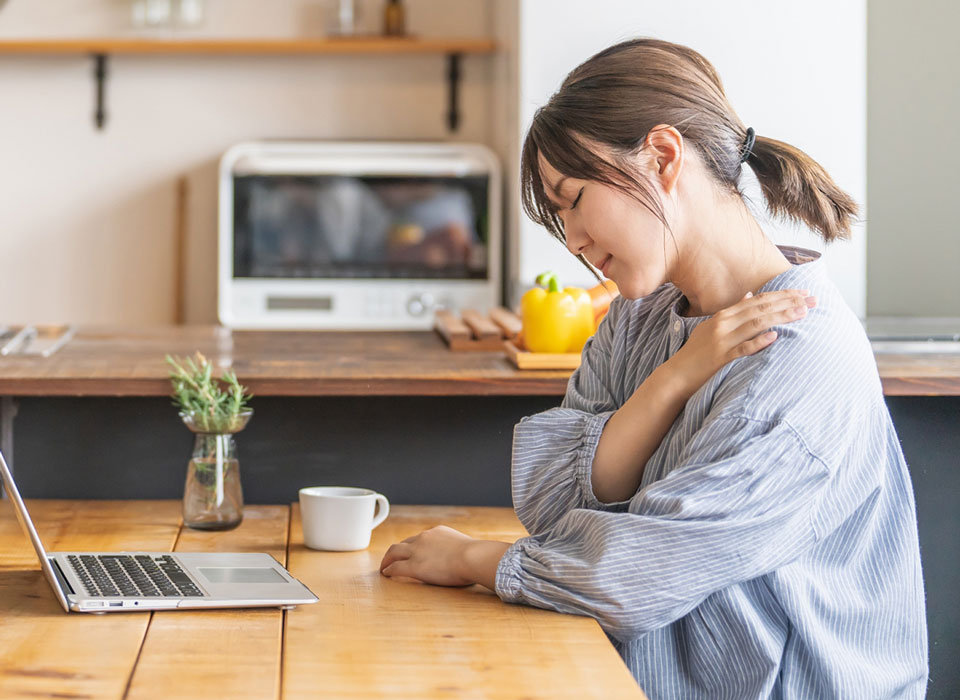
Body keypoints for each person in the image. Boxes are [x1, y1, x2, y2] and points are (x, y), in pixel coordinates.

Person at [379, 38, 928, 699]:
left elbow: (630, 574)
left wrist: (471, 558)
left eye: (573, 199)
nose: (572, 240)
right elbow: (557, 507)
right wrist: (675, 377)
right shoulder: (639, 318)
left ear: (664, 157)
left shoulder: (796, 359)